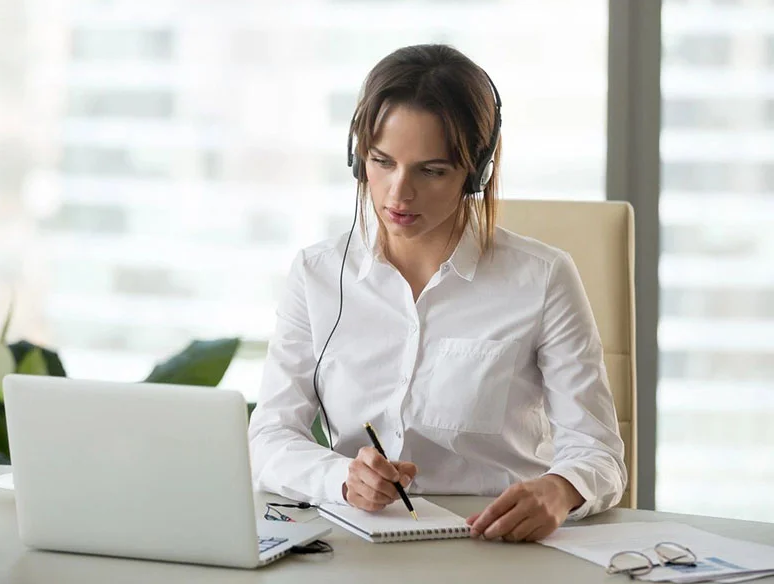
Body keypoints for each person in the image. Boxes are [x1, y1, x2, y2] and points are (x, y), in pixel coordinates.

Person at [248, 43, 627, 542]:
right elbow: (269, 437)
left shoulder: (544, 278)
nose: (397, 194)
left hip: (495, 546)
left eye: (431, 171)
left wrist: (558, 489)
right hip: (358, 547)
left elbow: (597, 451)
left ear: (475, 174)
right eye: (382, 162)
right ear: (357, 157)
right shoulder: (316, 274)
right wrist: (340, 478)